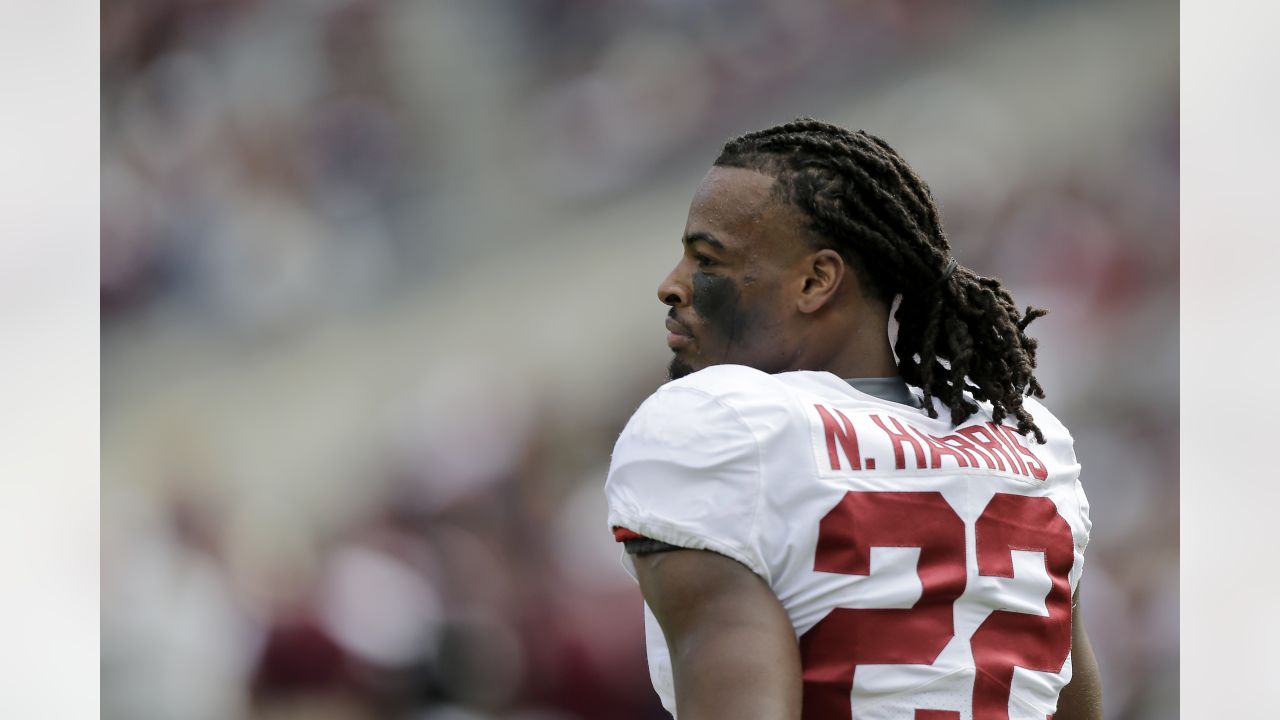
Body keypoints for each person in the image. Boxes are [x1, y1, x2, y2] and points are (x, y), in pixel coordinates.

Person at [603, 118, 1102, 720]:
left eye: (706, 259)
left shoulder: (722, 424)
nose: (671, 286)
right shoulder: (1026, 438)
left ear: (815, 281)